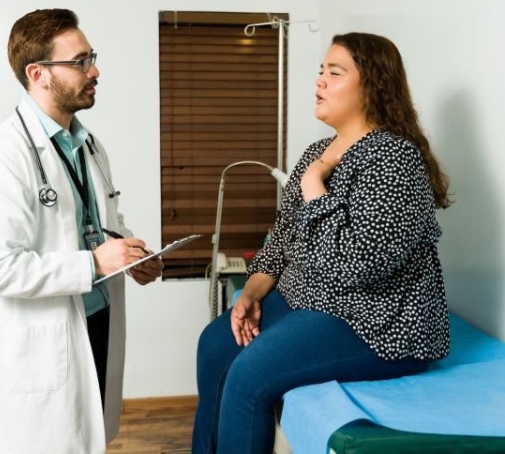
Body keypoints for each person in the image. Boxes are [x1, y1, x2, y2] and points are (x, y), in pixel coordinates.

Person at [192, 32, 452, 453]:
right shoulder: (319, 150)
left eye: (334, 73)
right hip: (305, 299)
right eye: (320, 72)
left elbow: (357, 265)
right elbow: (282, 239)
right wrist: (253, 293)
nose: (320, 82)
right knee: (215, 344)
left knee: (248, 376)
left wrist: (315, 185)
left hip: (373, 320)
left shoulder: (395, 159)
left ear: (373, 84)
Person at [0, 8, 163, 454]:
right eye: (80, 61)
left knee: (87, 440)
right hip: (42, 341)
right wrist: (93, 262)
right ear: (39, 74)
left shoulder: (87, 144)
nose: (95, 71)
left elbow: (98, 218)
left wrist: (130, 253)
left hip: (95, 319)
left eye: (92, 57)